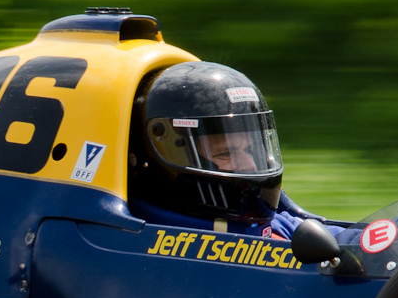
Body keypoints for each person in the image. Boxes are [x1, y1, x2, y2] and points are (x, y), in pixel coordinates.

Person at [127, 61, 344, 240]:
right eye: (225, 153)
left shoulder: (270, 221)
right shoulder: (143, 241)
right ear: (161, 153)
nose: (250, 164)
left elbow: (349, 240)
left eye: (250, 150)